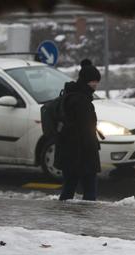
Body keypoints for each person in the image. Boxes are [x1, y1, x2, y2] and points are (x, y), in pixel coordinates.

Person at [55, 59, 102, 201]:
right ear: (86, 81)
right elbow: (86, 129)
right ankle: (86, 219)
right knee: (89, 191)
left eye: (96, 81)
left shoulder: (70, 95)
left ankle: (63, 216)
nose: (95, 84)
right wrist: (93, 148)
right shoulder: (82, 101)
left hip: (68, 151)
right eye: (93, 81)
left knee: (69, 188)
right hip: (81, 153)